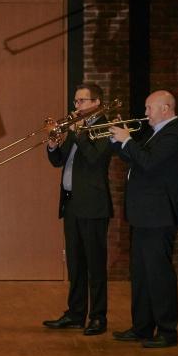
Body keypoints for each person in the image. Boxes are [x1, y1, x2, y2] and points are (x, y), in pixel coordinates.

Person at [108, 90, 178, 348]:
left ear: (165, 108)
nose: (145, 113)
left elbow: (149, 163)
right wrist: (117, 139)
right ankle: (142, 327)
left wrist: (127, 140)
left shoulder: (174, 135)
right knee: (141, 274)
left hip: (159, 216)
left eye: (149, 108)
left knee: (158, 275)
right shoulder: (156, 134)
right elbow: (135, 158)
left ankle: (167, 331)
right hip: (145, 216)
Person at [43, 83, 113, 336]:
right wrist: (53, 144)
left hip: (93, 205)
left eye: (82, 101)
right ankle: (75, 314)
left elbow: (95, 158)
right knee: (75, 264)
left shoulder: (104, 126)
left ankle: (98, 317)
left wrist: (80, 131)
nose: (77, 106)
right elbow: (59, 161)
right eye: (76, 101)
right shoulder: (77, 127)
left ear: (96, 103)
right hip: (72, 204)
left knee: (95, 265)